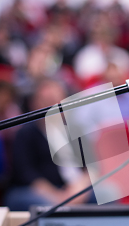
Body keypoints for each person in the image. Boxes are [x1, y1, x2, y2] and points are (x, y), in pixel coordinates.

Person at [5, 79, 92, 211]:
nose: (53, 106)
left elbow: (90, 168)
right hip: (35, 191)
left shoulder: (75, 130)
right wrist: (58, 197)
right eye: (47, 101)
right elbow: (27, 174)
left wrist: (78, 190)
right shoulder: (25, 134)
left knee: (107, 193)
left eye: (57, 100)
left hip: (73, 189)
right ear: (34, 103)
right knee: (42, 204)